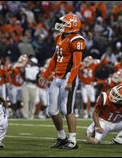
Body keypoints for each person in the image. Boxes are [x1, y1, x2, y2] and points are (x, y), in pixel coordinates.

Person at [39, 13, 85, 150]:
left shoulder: (77, 40)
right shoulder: (60, 37)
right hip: (57, 78)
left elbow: (77, 64)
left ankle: (72, 140)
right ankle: (62, 137)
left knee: (67, 109)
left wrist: (71, 81)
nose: (61, 25)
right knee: (52, 111)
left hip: (68, 78)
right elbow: (55, 58)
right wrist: (46, 74)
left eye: (64, 23)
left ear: (71, 26)